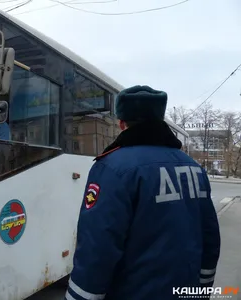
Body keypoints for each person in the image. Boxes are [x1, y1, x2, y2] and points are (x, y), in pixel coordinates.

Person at [65, 85, 221, 300]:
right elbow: (210, 235)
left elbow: (98, 246)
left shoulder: (112, 167)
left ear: (122, 123)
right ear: (160, 119)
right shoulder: (193, 167)